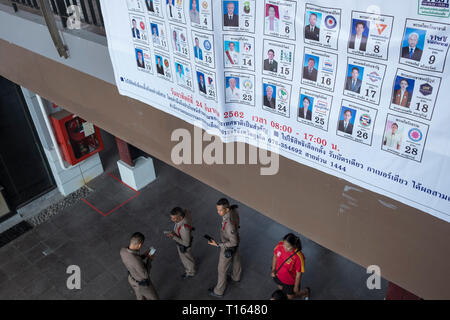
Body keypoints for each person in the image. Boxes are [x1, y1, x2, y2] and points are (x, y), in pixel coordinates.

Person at [207, 198, 242, 298]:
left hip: (228, 246)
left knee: (222, 269)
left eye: (220, 210)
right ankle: (236, 277)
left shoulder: (229, 224)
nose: (218, 212)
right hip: (235, 242)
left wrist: (218, 244)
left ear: (227, 209)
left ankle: (218, 291)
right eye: (217, 210)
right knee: (236, 260)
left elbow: (233, 241)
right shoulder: (233, 211)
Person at [120, 232, 159, 300]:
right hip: (142, 285)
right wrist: (149, 259)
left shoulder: (122, 251)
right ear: (139, 245)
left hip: (131, 279)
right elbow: (145, 275)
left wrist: (144, 255)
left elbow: (132, 260)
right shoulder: (136, 260)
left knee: (140, 297)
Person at [271, 233, 310, 300]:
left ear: (294, 246)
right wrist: (273, 269)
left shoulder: (298, 257)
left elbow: (298, 274)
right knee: (280, 287)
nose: (285, 248)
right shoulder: (280, 245)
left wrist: (296, 287)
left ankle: (305, 292)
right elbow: (275, 256)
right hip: (278, 275)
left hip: (290, 281)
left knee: (290, 296)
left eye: (288, 246)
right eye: (284, 244)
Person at [166, 207, 196, 279]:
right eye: (171, 217)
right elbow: (187, 210)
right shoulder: (185, 213)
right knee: (189, 257)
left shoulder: (184, 228)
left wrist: (173, 236)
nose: (172, 220)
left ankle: (190, 272)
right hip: (185, 236)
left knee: (186, 260)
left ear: (181, 217)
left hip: (184, 246)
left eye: (174, 218)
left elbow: (186, 244)